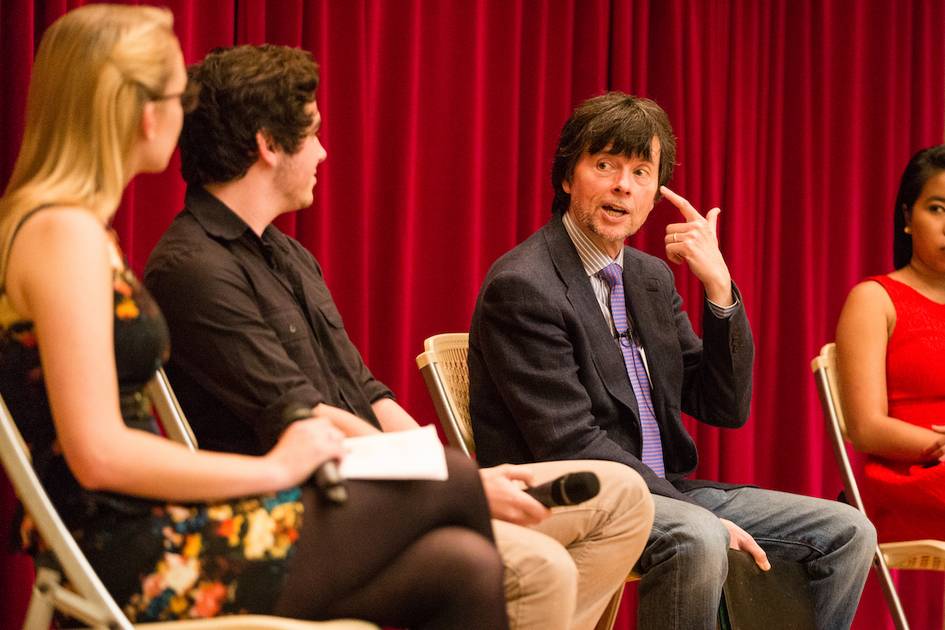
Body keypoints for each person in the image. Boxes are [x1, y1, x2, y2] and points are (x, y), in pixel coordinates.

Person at [0, 6, 510, 628]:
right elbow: (98, 454)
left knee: (460, 568)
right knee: (453, 481)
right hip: (131, 547)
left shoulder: (74, 228)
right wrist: (271, 469)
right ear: (140, 110)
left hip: (152, 523)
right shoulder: (62, 233)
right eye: (175, 92)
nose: (186, 111)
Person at [143, 44, 654, 630]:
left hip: (387, 482)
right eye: (310, 134)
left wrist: (450, 473)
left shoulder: (287, 253)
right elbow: (300, 418)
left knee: (622, 496)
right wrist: (447, 485)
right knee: (541, 567)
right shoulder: (193, 269)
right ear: (267, 144)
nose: (323, 150)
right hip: (317, 511)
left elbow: (366, 391)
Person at [468, 91, 877, 630]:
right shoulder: (525, 285)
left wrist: (719, 286)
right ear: (568, 177)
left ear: (656, 193)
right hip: (574, 497)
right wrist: (696, 512)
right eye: (605, 165)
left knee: (848, 532)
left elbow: (723, 405)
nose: (623, 186)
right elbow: (568, 442)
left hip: (663, 488)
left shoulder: (648, 277)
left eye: (642, 172)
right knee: (699, 536)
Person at [836, 144, 945, 542]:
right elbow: (866, 428)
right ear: (907, 217)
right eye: (937, 208)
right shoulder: (875, 298)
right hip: (905, 479)